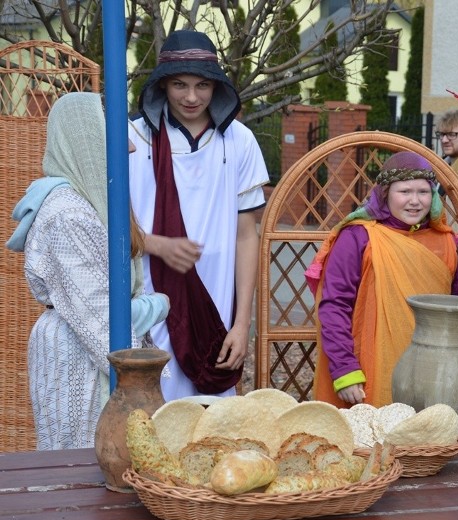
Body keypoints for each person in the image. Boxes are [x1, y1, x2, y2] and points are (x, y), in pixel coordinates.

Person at [6, 93, 170, 450]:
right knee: (79, 470)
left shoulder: (81, 205)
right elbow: (100, 318)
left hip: (82, 346)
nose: (128, 148)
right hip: (77, 354)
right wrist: (158, 306)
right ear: (87, 138)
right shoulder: (67, 214)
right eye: (112, 135)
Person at [128, 30, 268, 401]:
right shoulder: (130, 138)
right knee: (150, 417)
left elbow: (246, 234)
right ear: (161, 85)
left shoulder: (239, 140)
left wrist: (242, 324)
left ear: (217, 86)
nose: (191, 97)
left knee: (213, 429)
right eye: (179, 84)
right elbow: (103, 222)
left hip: (217, 302)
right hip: (149, 298)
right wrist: (156, 244)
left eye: (202, 85)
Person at [306, 151, 458, 408]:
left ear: (434, 196)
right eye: (404, 191)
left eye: (423, 192)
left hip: (432, 376)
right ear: (385, 194)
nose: (415, 201)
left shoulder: (447, 243)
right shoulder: (358, 237)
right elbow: (335, 306)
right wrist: (345, 371)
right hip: (367, 371)